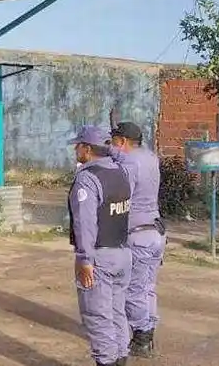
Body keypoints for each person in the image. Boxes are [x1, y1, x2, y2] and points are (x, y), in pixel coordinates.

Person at [68, 125, 132, 366]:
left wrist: (85, 259)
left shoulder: (87, 179)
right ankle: (120, 359)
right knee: (117, 313)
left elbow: (85, 223)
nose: (75, 150)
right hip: (122, 253)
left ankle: (107, 361)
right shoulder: (121, 172)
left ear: (87, 149)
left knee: (98, 317)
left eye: (78, 145)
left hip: (99, 257)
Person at [109, 121, 164, 358]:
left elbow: (122, 195)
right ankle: (147, 332)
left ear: (122, 142)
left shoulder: (129, 162)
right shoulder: (150, 157)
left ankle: (142, 336)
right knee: (148, 287)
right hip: (156, 231)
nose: (112, 146)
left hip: (137, 235)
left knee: (133, 290)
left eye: (114, 142)